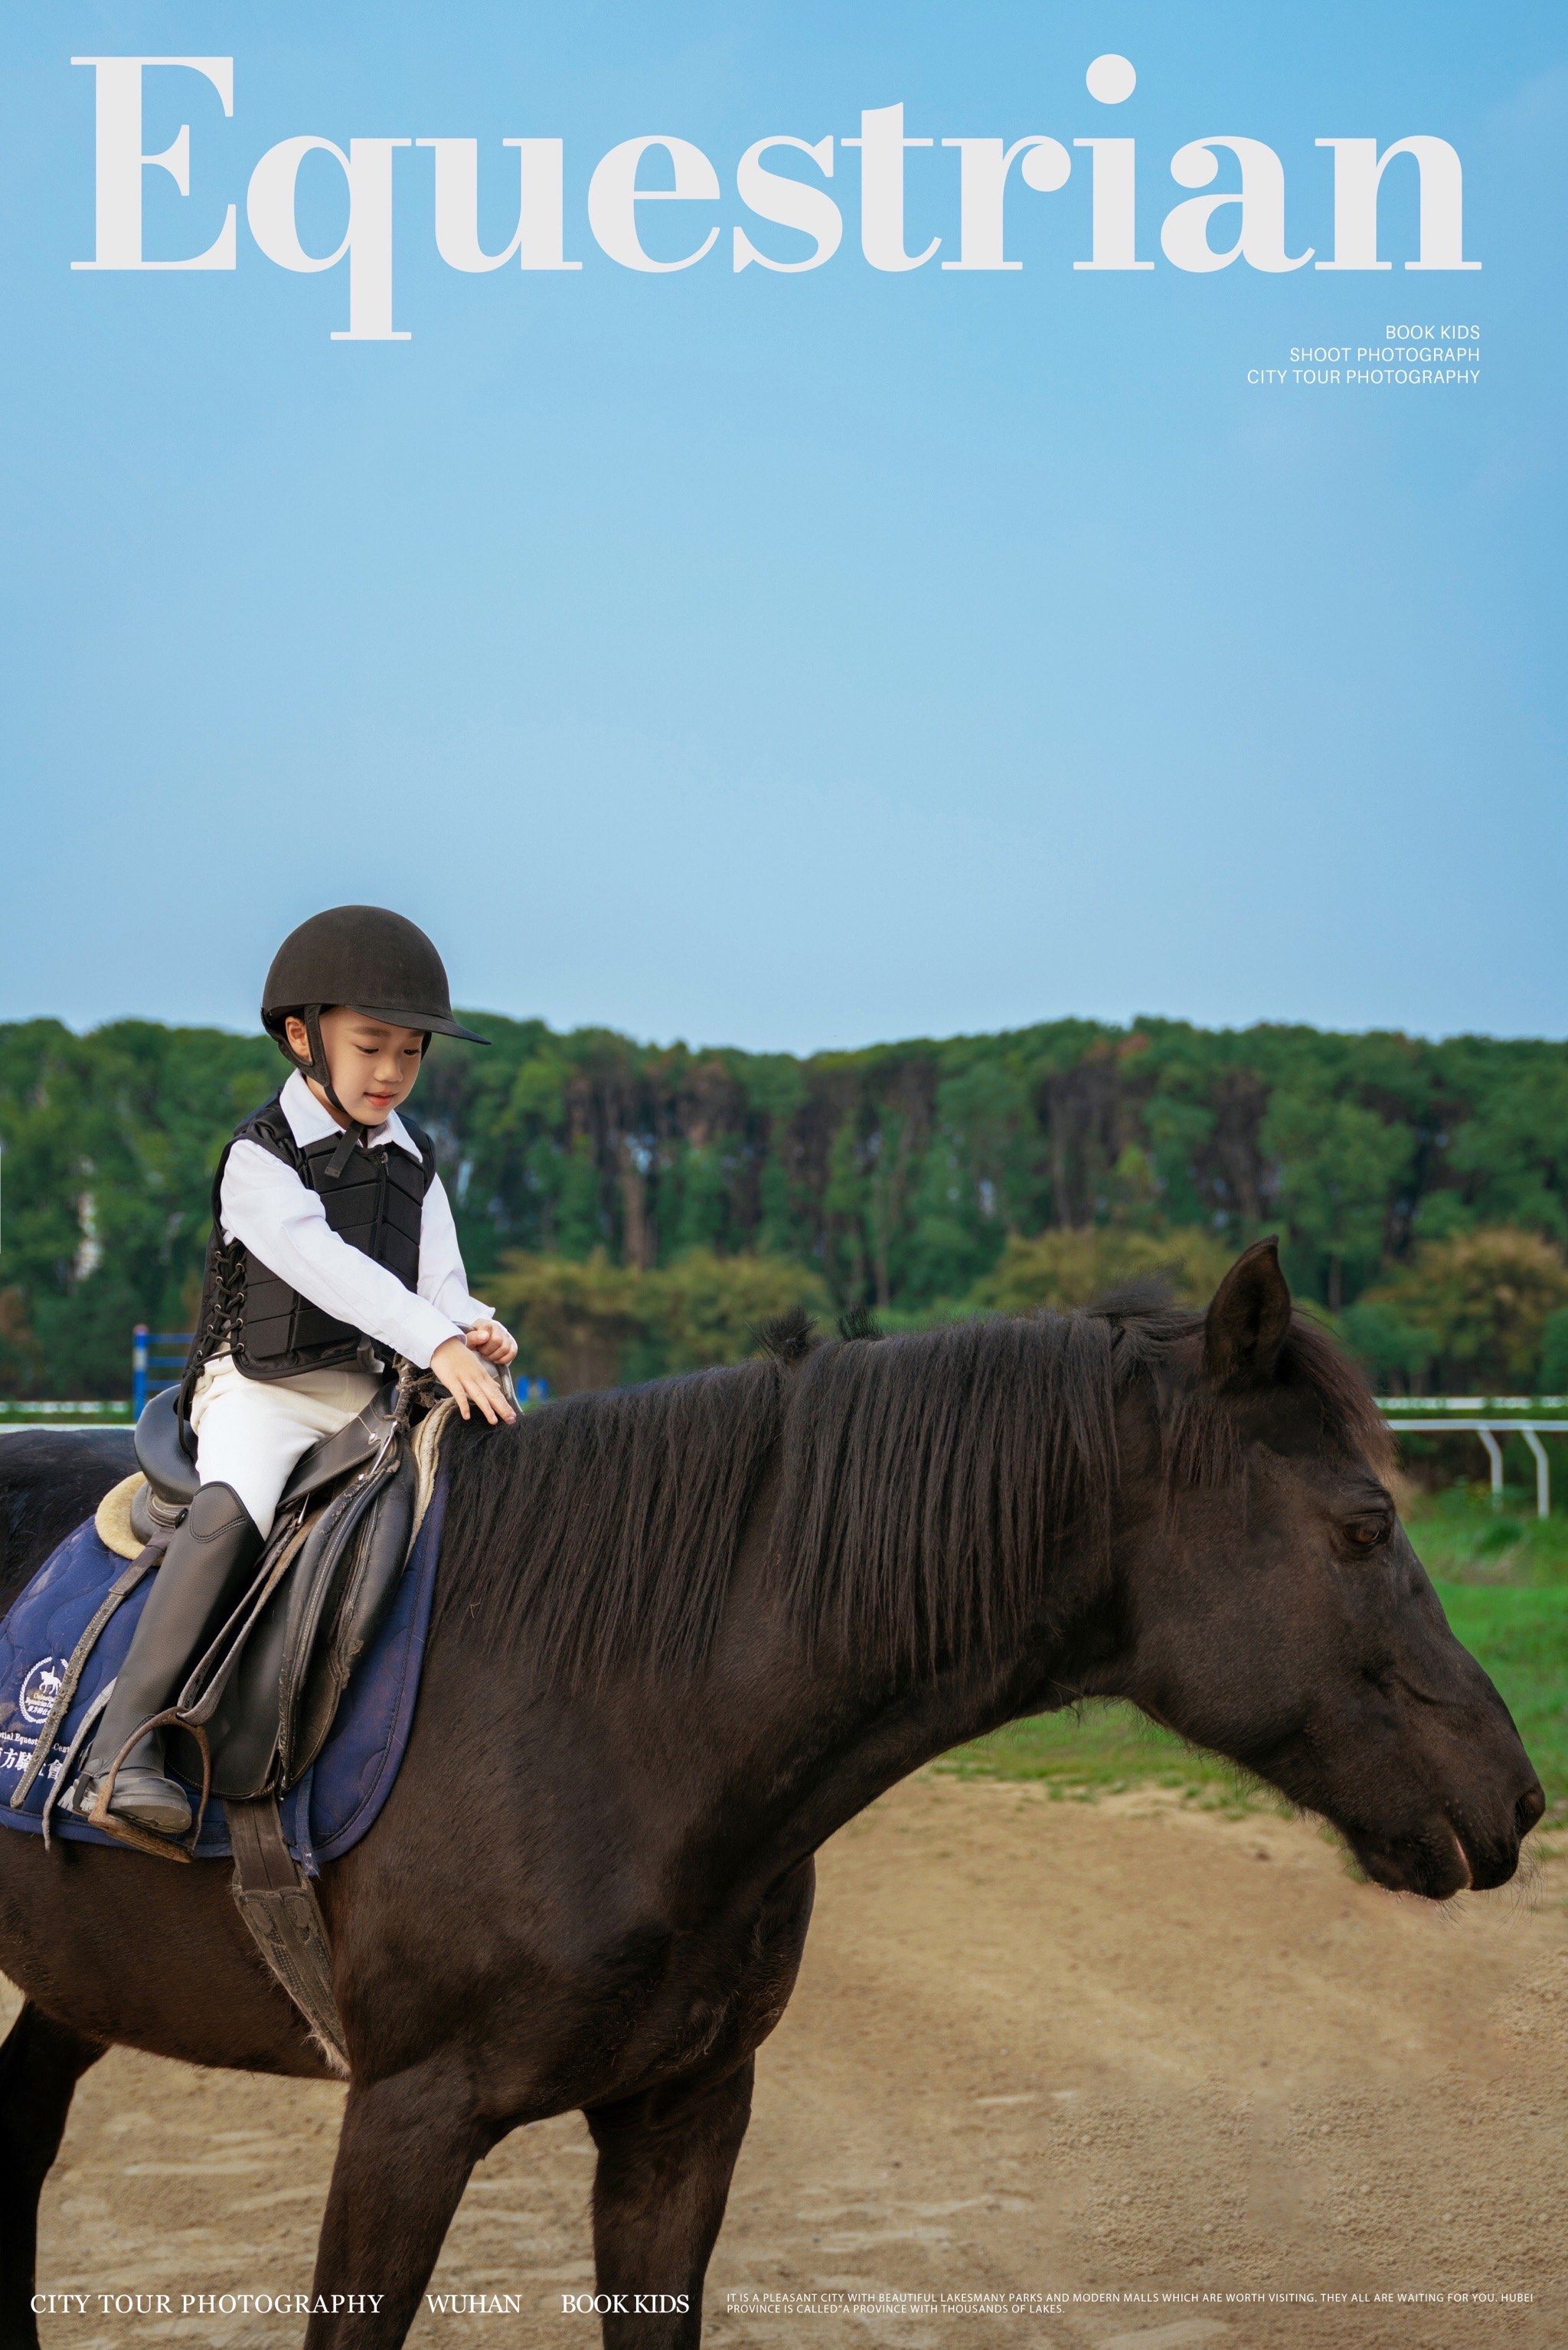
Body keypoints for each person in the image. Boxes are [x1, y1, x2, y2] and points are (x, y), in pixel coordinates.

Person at [67, 906, 518, 1842]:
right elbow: (328, 1270)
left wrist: (473, 1330)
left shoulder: (415, 1161)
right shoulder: (256, 1161)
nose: (392, 1072)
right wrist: (430, 1339)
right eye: (371, 1047)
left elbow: (439, 1285)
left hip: (367, 1402)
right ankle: (119, 1750)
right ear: (302, 1036)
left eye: (409, 1053)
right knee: (236, 1510)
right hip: (262, 1394)